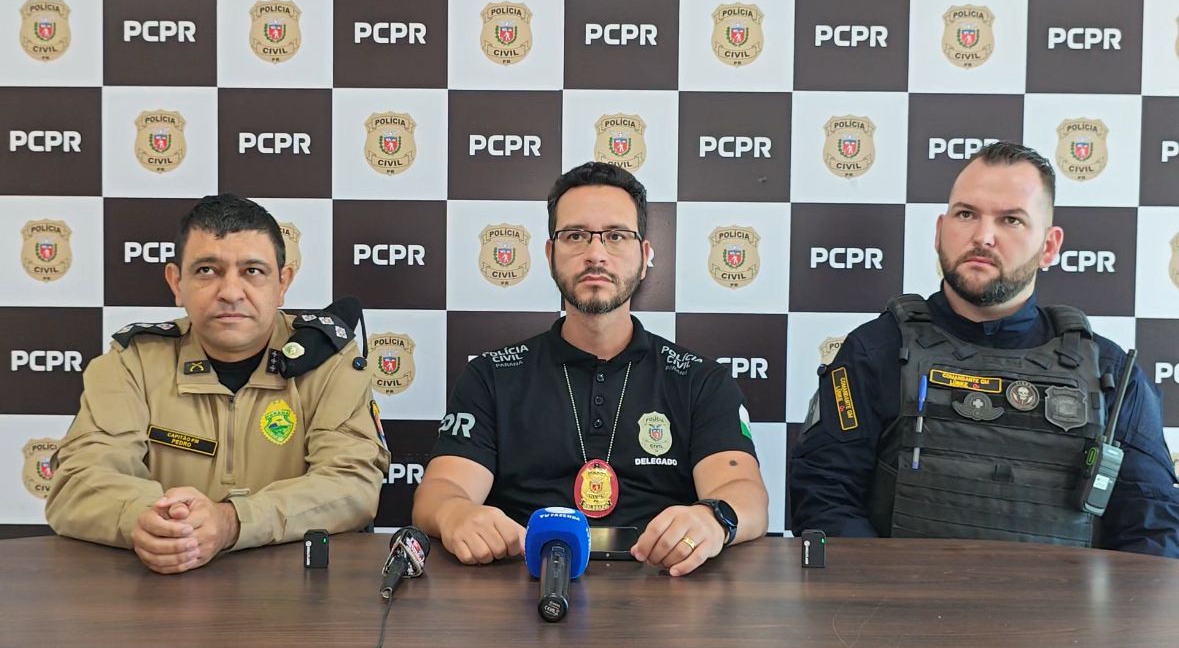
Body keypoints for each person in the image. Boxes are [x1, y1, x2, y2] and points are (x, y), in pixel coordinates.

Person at [788, 142, 1179, 557]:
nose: (982, 236)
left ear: (1049, 246)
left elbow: (1154, 531)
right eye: (966, 214)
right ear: (939, 231)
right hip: (900, 598)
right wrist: (891, 592)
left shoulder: (1111, 374)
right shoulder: (875, 352)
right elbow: (824, 499)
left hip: (1064, 602)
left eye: (1011, 220)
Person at [414, 162, 768, 576]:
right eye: (575, 236)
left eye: (616, 236)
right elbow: (440, 490)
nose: (596, 254)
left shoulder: (700, 380)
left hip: (661, 585)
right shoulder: (492, 376)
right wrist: (456, 514)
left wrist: (712, 519)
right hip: (522, 587)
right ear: (550, 255)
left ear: (645, 256)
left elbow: (745, 494)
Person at [45, 194, 390, 574]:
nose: (230, 292)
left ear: (282, 283)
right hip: (162, 587)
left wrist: (232, 521)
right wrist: (145, 518)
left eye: (252, 271)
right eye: (207, 270)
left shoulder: (330, 362)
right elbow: (77, 481)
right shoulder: (132, 363)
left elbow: (351, 485)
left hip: (295, 589)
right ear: (176, 282)